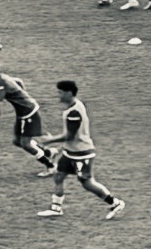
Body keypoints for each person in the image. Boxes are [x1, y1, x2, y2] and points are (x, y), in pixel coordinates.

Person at [36, 80, 126, 220]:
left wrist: (49, 140)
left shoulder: (74, 112)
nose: (58, 95)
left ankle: (115, 203)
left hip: (81, 154)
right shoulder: (76, 105)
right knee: (58, 176)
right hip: (70, 152)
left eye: (60, 93)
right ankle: (56, 208)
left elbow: (69, 136)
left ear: (69, 93)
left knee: (87, 182)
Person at [0, 57, 58, 174]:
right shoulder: (2, 77)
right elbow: (19, 81)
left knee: (25, 144)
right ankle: (48, 152)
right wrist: (23, 96)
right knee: (17, 141)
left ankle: (51, 166)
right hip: (24, 111)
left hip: (28, 112)